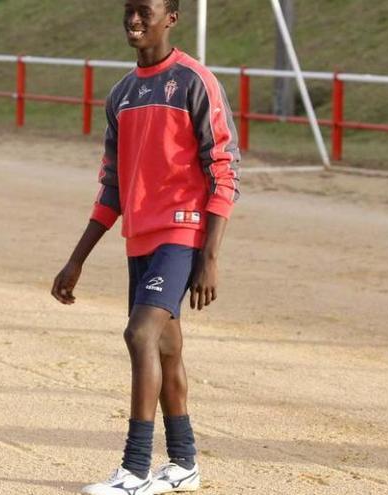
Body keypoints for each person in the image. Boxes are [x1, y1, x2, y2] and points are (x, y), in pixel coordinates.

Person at [51, 0, 239, 493]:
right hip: (141, 237)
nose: (134, 20)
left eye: (145, 11)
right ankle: (184, 463)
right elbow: (111, 185)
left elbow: (224, 169)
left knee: (139, 335)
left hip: (184, 231)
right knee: (167, 348)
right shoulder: (122, 94)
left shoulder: (196, 82)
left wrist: (210, 257)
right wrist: (77, 259)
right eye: (129, 11)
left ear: (171, 18)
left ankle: (135, 470)